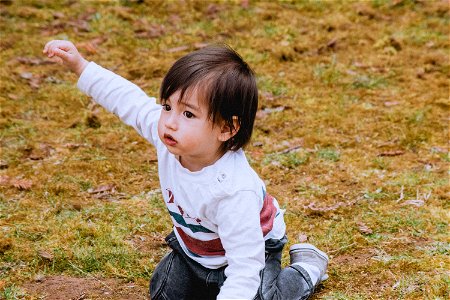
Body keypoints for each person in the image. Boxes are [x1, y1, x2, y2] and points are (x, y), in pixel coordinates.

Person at [43, 40, 329, 300]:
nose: (170, 121)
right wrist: (80, 66)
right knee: (163, 292)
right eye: (167, 106)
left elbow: (245, 267)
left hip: (253, 252)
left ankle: (305, 269)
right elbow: (127, 100)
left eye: (188, 114)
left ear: (227, 128)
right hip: (196, 252)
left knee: (261, 297)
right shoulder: (169, 136)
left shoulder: (233, 190)